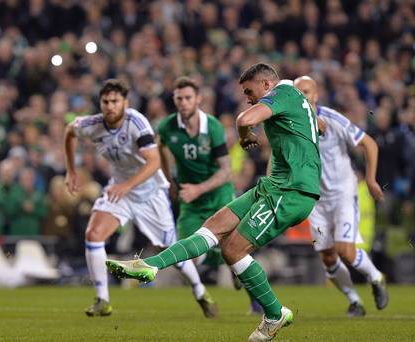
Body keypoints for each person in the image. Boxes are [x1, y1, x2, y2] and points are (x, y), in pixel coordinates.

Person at [107, 63, 321, 341]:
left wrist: (245, 137)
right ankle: (150, 265)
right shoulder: (292, 98)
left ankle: (273, 312)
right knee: (212, 228)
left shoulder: (283, 93)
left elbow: (245, 120)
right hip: (275, 184)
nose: (247, 97)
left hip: (292, 191)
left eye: (249, 90)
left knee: (233, 249)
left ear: (266, 84)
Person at [64, 79, 215, 318]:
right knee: (93, 234)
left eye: (115, 101)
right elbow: (70, 131)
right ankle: (102, 299)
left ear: (125, 102)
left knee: (171, 251)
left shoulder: (136, 122)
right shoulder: (93, 124)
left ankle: (200, 291)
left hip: (149, 193)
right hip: (120, 191)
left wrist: (127, 185)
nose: (110, 106)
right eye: (105, 101)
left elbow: (154, 161)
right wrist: (71, 170)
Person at [158, 76, 261, 314]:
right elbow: (160, 146)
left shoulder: (212, 126)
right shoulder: (167, 127)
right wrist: (168, 179)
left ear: (198, 100)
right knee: (183, 258)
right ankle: (203, 295)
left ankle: (255, 302)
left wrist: (198, 189)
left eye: (187, 98)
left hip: (219, 198)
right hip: (191, 204)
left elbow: (226, 171)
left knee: (237, 251)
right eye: (179, 98)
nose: (183, 102)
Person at [294, 76, 388, 316]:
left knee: (344, 250)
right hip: (315, 201)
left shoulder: (333, 119)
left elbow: (369, 144)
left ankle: (376, 277)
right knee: (326, 257)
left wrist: (370, 179)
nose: (302, 97)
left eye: (306, 92)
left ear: (316, 95)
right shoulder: (291, 125)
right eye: (297, 93)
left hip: (343, 193)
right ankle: (355, 301)